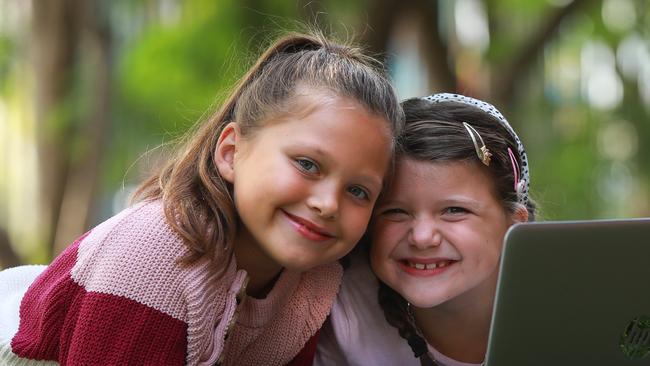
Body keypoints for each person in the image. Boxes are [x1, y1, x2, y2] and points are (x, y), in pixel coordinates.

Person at [0, 32, 403, 365]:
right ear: (231, 153)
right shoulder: (155, 255)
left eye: (358, 191)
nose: (328, 203)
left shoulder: (313, 283)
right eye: (307, 164)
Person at [315, 93, 537, 366]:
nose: (422, 238)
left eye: (454, 211)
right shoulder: (341, 307)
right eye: (395, 211)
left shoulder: (570, 312)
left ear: (514, 223)